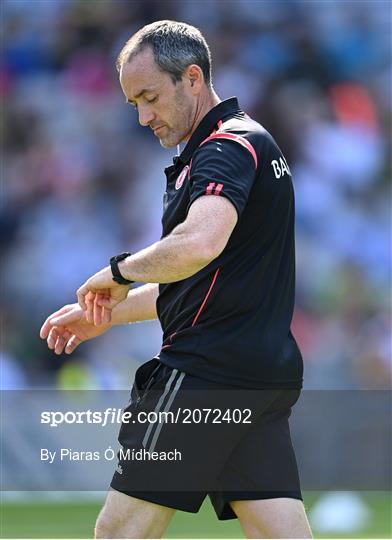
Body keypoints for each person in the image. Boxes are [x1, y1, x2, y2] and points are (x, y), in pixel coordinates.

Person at [40, 20, 313, 539]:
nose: (144, 116)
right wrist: (108, 314)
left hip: (206, 376)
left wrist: (117, 272)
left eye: (150, 97)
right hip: (259, 376)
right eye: (133, 104)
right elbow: (199, 282)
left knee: (120, 533)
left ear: (192, 78)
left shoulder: (225, 148)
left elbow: (198, 245)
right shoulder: (253, 142)